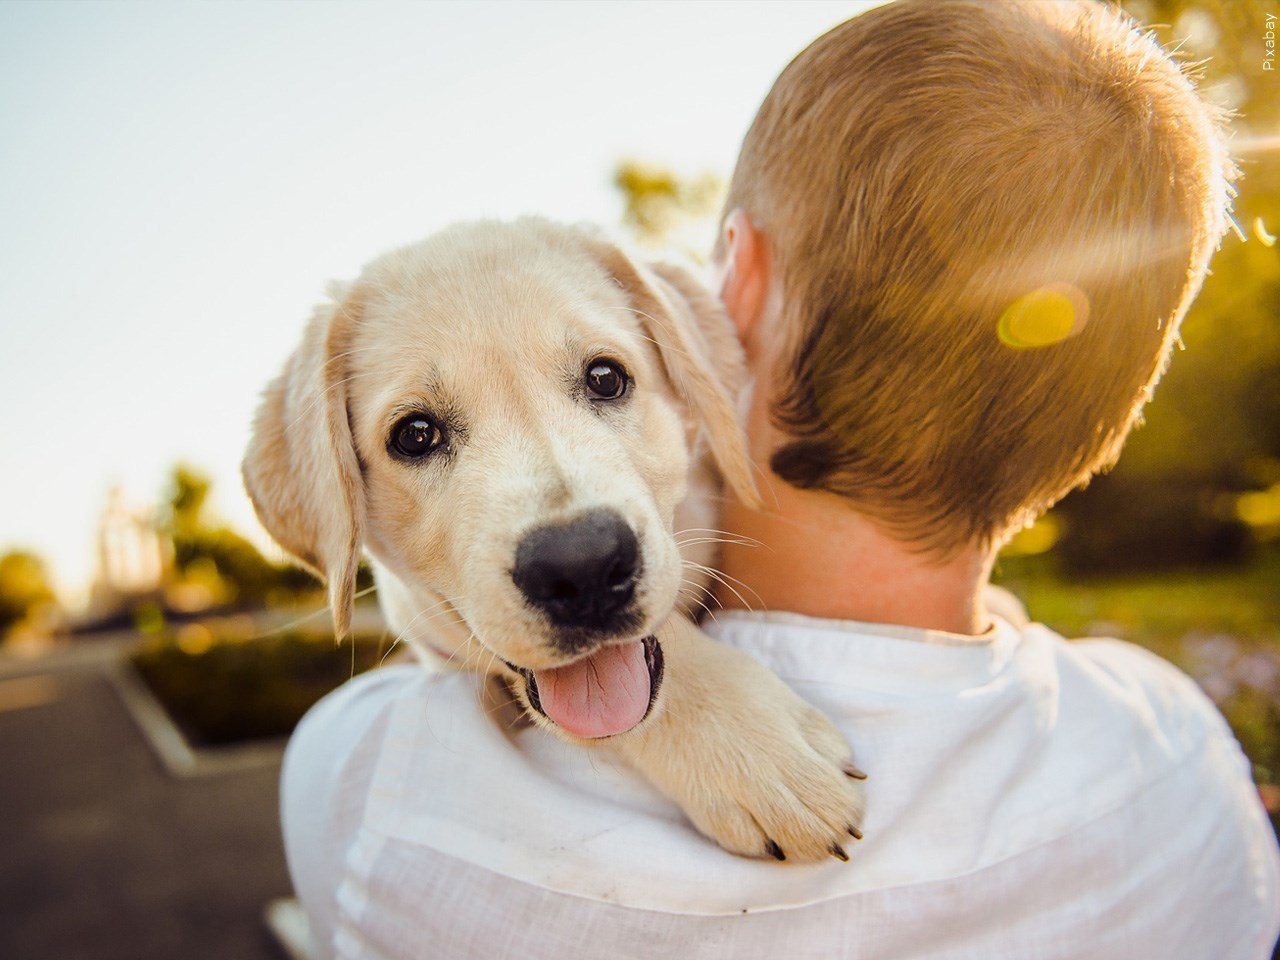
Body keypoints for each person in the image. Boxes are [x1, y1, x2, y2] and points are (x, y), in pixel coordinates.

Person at [280, 1, 1280, 957]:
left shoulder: (372, 787)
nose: (570, 530)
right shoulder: (1181, 762)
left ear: (732, 293)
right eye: (418, 434)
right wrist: (677, 692)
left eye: (601, 379)